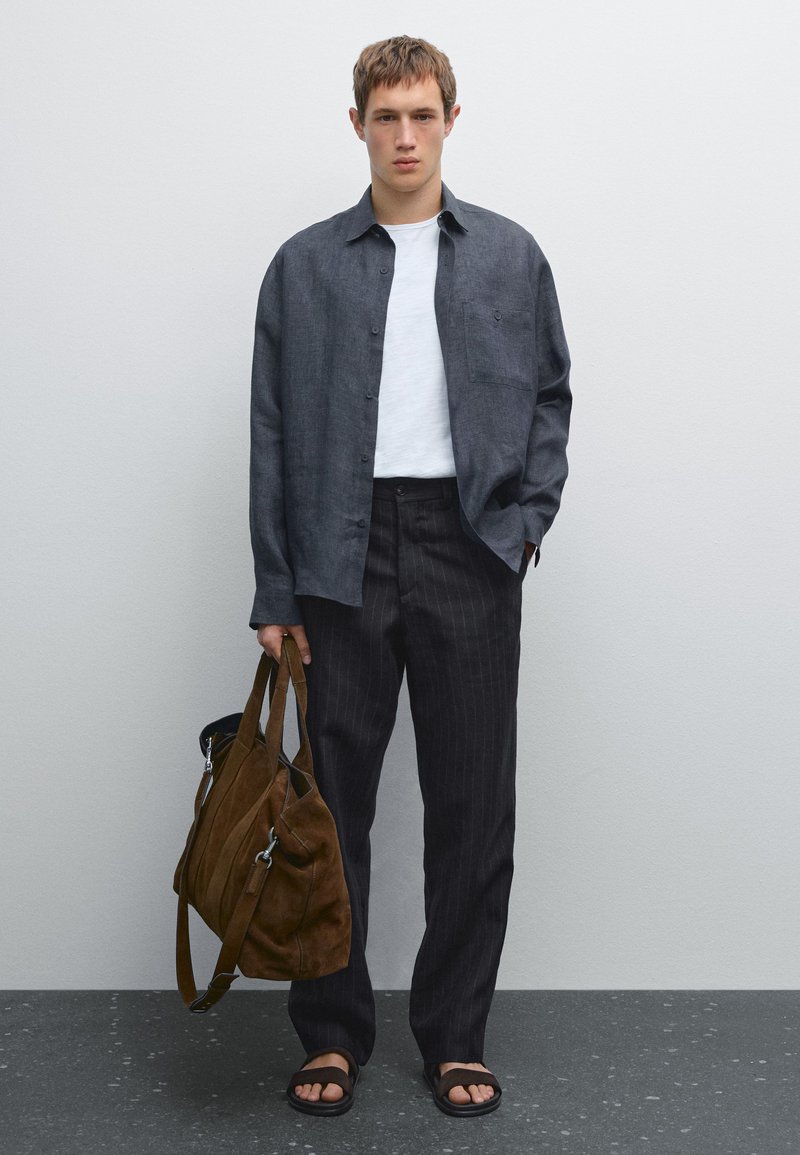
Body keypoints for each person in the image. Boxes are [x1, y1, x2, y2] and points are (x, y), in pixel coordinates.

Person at [248, 35, 572, 1117]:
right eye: (384, 116)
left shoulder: (508, 257)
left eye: (420, 115)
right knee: (328, 809)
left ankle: (453, 1036)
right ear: (356, 126)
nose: (403, 135)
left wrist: (517, 526)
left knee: (471, 804)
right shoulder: (303, 265)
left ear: (449, 119)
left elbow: (548, 401)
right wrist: (277, 590)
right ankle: (330, 1034)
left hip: (466, 544)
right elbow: (271, 432)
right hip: (339, 551)